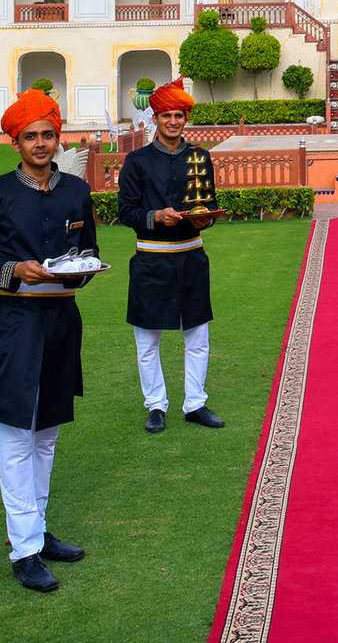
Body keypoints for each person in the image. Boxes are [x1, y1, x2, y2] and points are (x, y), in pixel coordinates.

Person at [0, 88, 100, 592]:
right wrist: (14, 270)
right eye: (30, 136)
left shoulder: (76, 191)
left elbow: (89, 252)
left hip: (62, 320)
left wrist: (83, 271)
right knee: (18, 437)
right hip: (13, 322)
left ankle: (37, 531)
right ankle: (23, 549)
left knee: (49, 433)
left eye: (47, 135)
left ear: (58, 138)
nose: (40, 144)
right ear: (14, 142)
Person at [115, 79, 223, 434]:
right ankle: (155, 404)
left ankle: (195, 402)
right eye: (166, 115)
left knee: (197, 335)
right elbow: (126, 211)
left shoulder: (200, 158)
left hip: (191, 257)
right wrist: (155, 217)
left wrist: (204, 219)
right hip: (151, 258)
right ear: (156, 118)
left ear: (185, 118)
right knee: (148, 339)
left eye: (179, 115)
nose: (173, 121)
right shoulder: (137, 161)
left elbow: (208, 205)